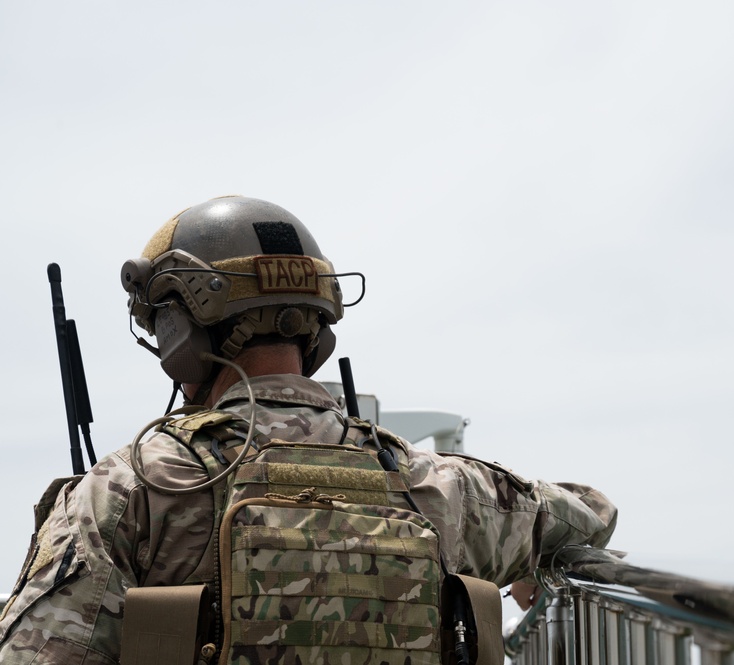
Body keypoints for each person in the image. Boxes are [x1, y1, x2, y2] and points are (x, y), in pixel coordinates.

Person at [0, 196, 617, 664]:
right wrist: (531, 564)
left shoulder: (130, 491)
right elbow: (589, 512)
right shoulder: (445, 492)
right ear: (318, 333)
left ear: (180, 336)